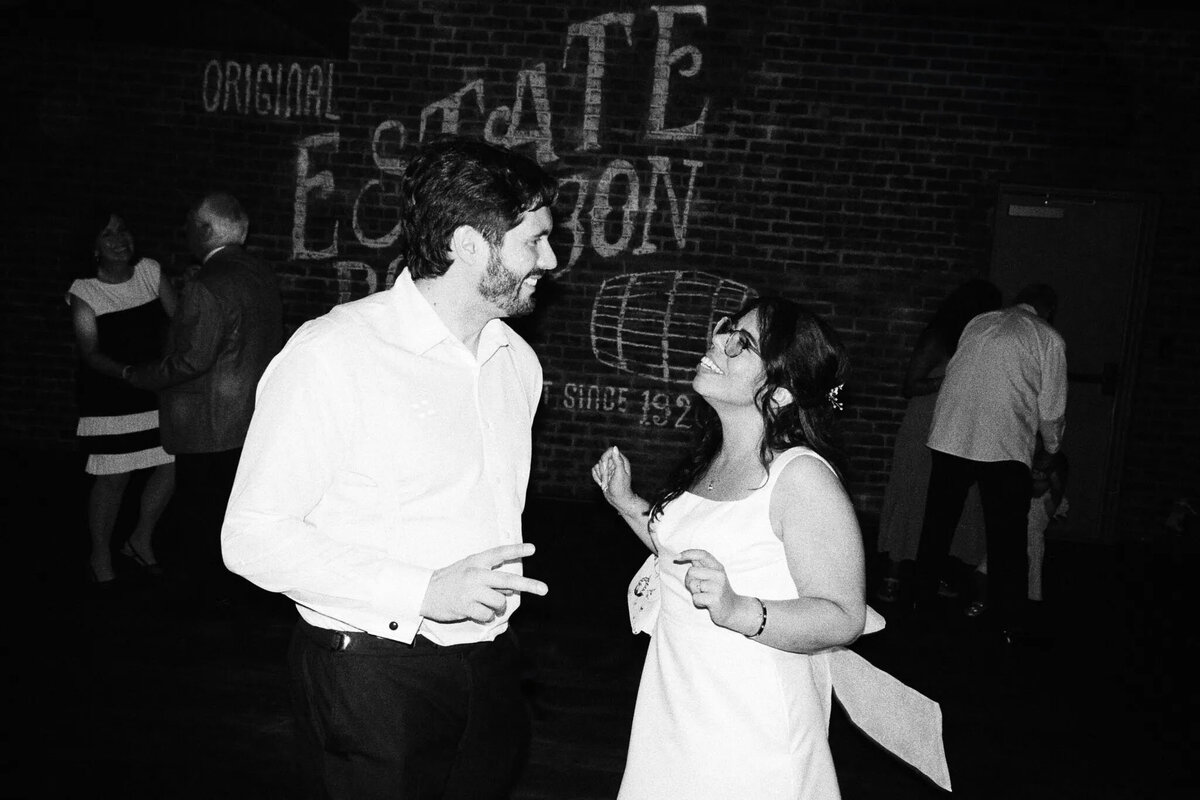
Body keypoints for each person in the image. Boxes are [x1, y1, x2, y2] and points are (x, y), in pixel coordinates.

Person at [221, 137, 555, 800]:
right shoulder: (333, 354)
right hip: (372, 670)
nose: (550, 259)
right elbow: (250, 536)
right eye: (534, 241)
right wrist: (421, 591)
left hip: (492, 661)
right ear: (468, 245)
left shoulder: (517, 362)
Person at [593, 298, 867, 799]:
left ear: (779, 394)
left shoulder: (801, 477)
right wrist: (627, 503)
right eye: (725, 329)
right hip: (677, 708)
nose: (717, 343)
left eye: (740, 344)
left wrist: (739, 609)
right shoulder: (715, 456)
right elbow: (684, 557)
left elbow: (844, 615)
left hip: (749, 728)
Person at [128, 192, 282, 604]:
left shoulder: (207, 285)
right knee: (230, 517)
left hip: (208, 423)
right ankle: (229, 600)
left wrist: (135, 374)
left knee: (200, 520)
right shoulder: (261, 273)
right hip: (248, 417)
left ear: (203, 230)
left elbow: (190, 362)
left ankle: (201, 605)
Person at [914, 283, 1067, 640]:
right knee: (1007, 540)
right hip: (1003, 443)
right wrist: (1051, 450)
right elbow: (1052, 409)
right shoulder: (1048, 338)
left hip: (952, 436)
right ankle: (1008, 622)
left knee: (936, 527)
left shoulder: (979, 322)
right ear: (1049, 310)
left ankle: (920, 605)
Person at [68, 208, 177, 584]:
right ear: (93, 247)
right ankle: (100, 553)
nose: (120, 241)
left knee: (169, 465)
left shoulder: (150, 271)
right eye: (108, 235)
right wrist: (130, 373)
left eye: (123, 231)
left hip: (155, 390)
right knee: (115, 477)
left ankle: (139, 540)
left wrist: (169, 371)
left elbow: (178, 321)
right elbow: (90, 352)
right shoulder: (85, 290)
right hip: (111, 393)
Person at [875, 279, 1001, 604]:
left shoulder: (975, 342)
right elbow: (910, 385)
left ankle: (933, 572)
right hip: (924, 424)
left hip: (956, 427)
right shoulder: (939, 337)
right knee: (911, 494)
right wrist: (950, 379)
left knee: (946, 503)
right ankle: (891, 575)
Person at [966, 443, 1069, 616]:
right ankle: (983, 601)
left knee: (1024, 583)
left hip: (1031, 544)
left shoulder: (1050, 499)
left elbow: (1058, 498)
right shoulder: (1021, 492)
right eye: (1034, 472)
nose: (1036, 477)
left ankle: (1018, 614)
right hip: (1008, 536)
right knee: (983, 572)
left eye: (1042, 475)